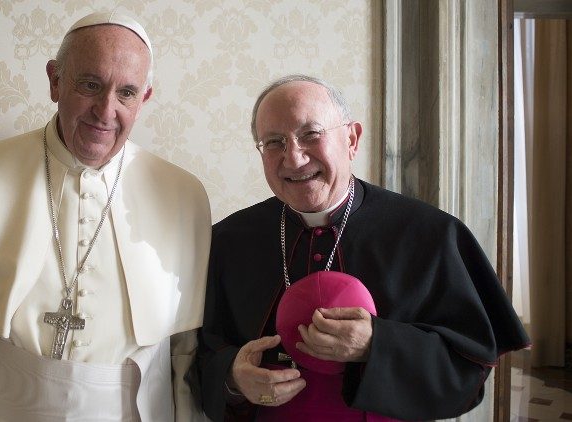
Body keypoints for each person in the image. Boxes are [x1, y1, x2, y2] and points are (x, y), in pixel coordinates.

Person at [0, 11, 211, 421]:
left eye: (126, 92)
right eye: (90, 85)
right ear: (55, 80)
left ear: (144, 99)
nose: (105, 111)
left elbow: (185, 358)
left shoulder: (182, 194)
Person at [194, 74, 530, 421]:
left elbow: (467, 367)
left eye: (311, 134)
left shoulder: (428, 233)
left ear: (351, 139)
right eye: (274, 142)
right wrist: (233, 378)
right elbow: (197, 356)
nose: (293, 159)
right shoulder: (230, 240)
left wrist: (376, 344)